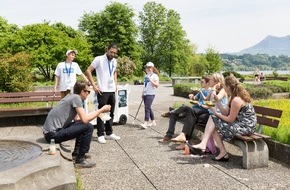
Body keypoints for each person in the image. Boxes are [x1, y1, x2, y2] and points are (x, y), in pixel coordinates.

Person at [43, 81, 111, 168]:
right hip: (52, 135)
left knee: (82, 124)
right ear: (82, 92)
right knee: (88, 127)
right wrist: (101, 110)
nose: (89, 94)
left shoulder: (71, 96)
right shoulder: (76, 98)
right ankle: (80, 160)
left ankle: (77, 153)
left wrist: (96, 114)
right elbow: (85, 120)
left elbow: (77, 119)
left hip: (50, 133)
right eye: (88, 92)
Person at [191, 76, 257, 162]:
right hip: (241, 124)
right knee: (214, 121)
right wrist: (217, 102)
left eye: (224, 85)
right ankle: (218, 150)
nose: (223, 87)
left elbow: (230, 119)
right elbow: (225, 112)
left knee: (214, 120)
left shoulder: (236, 100)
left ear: (228, 86)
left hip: (246, 127)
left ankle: (215, 149)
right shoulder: (233, 97)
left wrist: (216, 113)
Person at [158, 76, 211, 143]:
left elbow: (208, 104)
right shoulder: (202, 90)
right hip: (193, 110)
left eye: (202, 82)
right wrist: (192, 96)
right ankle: (168, 136)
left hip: (199, 112)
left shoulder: (210, 92)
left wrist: (199, 102)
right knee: (174, 115)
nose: (201, 83)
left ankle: (171, 112)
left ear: (207, 83)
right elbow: (195, 98)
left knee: (185, 107)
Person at [86, 43, 120, 144]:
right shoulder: (99, 59)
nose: (112, 54)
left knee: (111, 113)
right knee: (100, 113)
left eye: (114, 53)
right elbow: (88, 71)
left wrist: (115, 83)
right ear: (107, 50)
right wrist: (94, 85)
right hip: (102, 90)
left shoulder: (114, 61)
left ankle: (109, 133)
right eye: (111, 52)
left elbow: (114, 72)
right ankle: (100, 134)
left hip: (111, 90)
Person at [140, 62, 159, 129]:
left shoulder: (154, 76)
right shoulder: (146, 76)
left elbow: (157, 85)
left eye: (149, 67)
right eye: (147, 67)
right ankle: (153, 121)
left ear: (152, 68)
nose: (148, 69)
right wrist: (143, 93)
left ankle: (146, 122)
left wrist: (151, 80)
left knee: (147, 108)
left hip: (151, 94)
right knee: (149, 107)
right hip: (145, 94)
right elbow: (145, 86)